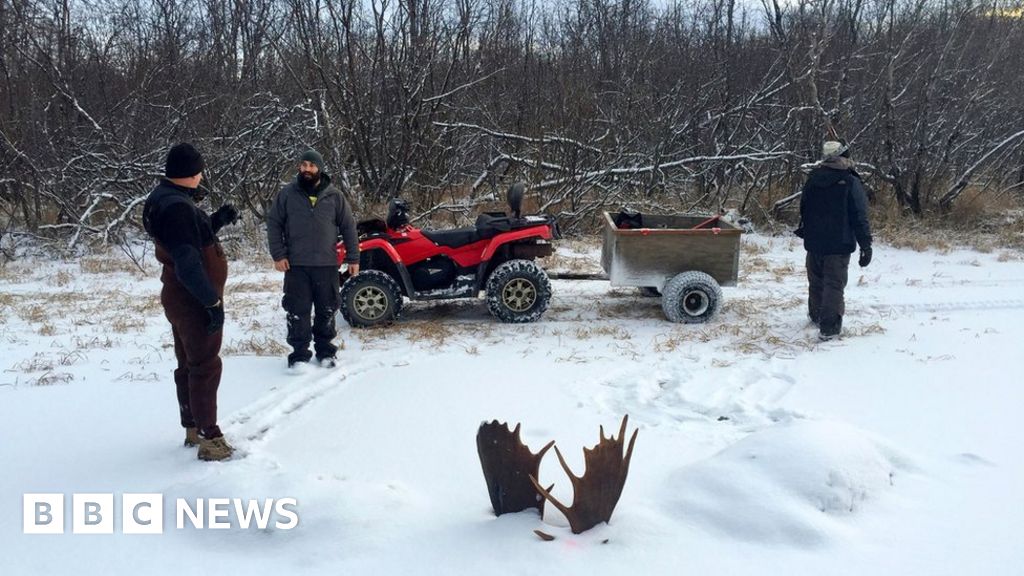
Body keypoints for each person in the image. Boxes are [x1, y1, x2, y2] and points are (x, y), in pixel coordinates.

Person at [143, 143, 240, 461]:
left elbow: (185, 238)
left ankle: (192, 427)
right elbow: (186, 261)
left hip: (180, 296)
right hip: (193, 299)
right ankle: (210, 439)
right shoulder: (177, 207)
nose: (201, 176)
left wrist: (215, 221)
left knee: (189, 363)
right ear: (188, 174)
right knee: (205, 367)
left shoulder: (165, 199)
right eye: (198, 171)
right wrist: (211, 302)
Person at [266, 149, 360, 368]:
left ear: (320, 169)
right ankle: (299, 355)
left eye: (312, 165)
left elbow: (348, 227)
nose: (307, 169)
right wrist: (278, 254)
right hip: (296, 265)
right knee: (297, 311)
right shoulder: (287, 194)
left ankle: (326, 352)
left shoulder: (334, 196)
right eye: (304, 164)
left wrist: (353, 258)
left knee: (327, 309)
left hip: (327, 264)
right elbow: (274, 224)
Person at [798, 140, 873, 341]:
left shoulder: (813, 178)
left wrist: (808, 230)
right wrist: (866, 245)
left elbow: (804, 207)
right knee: (834, 284)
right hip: (839, 243)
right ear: (844, 156)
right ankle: (829, 328)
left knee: (816, 281)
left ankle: (816, 316)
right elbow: (859, 215)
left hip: (814, 241)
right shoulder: (850, 181)